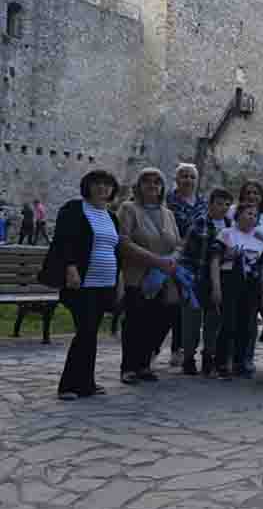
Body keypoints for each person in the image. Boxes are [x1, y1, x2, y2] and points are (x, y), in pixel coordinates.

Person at [43, 170, 176, 399]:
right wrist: (71, 267)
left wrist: (117, 281)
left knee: (90, 332)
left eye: (107, 185)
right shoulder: (74, 209)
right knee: (85, 332)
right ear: (88, 186)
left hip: (104, 283)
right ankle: (68, 386)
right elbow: (64, 241)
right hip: (82, 282)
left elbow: (114, 249)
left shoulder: (109, 216)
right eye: (97, 184)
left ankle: (86, 383)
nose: (102, 188)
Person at [116, 168, 182, 385]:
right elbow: (123, 241)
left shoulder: (168, 214)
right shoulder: (128, 209)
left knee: (162, 317)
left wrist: (172, 259)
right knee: (135, 321)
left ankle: (144, 363)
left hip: (164, 278)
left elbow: (178, 244)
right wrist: (156, 260)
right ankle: (129, 367)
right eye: (147, 181)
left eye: (157, 182)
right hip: (138, 275)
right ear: (139, 186)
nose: (152, 185)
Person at [177, 188, 233, 376]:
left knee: (213, 320)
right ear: (210, 204)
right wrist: (187, 279)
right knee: (192, 321)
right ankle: (188, 358)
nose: (223, 208)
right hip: (197, 278)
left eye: (227, 204)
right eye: (219, 203)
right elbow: (186, 253)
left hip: (219, 280)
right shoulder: (200, 222)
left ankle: (209, 356)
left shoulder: (230, 224)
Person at [212, 202, 263, 380]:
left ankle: (240, 363)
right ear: (238, 215)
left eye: (255, 215)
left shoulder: (259, 239)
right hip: (230, 283)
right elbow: (214, 261)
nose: (252, 217)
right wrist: (216, 287)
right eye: (248, 213)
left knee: (246, 326)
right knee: (228, 324)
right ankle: (221, 363)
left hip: (251, 286)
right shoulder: (226, 234)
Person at [165, 163, 206, 367]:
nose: (188, 180)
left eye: (191, 177)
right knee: (173, 303)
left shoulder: (203, 202)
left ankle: (181, 348)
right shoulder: (168, 201)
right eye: (184, 176)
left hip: (197, 260)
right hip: (174, 257)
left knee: (189, 305)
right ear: (176, 179)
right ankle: (166, 347)